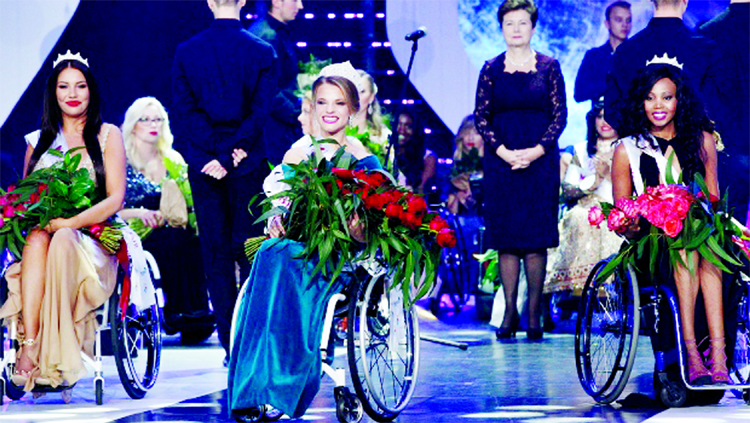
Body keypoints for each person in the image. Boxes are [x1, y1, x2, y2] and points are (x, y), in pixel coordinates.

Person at [228, 73, 381, 421]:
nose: (330, 110)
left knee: (285, 256)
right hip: (295, 248)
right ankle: (252, 390)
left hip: (338, 257)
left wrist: (356, 225)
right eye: (322, 102)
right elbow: (280, 199)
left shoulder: (362, 159)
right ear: (311, 109)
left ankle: (282, 382)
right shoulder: (299, 152)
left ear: (354, 111)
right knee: (271, 251)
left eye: (339, 103)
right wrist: (276, 217)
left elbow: (371, 227)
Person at [0, 53, 127, 390]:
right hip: (46, 238)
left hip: (95, 240)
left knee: (62, 239)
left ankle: (43, 353)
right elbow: (25, 200)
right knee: (39, 239)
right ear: (53, 93)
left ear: (91, 91)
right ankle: (31, 348)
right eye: (64, 86)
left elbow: (115, 199)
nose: (72, 93)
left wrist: (71, 221)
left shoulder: (108, 135)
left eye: (80, 86)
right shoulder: (38, 142)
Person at [171, 0, 277, 364]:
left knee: (215, 255)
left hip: (206, 165)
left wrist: (215, 155)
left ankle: (232, 346)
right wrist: (232, 150)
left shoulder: (186, 51)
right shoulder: (262, 51)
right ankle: (249, 341)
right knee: (249, 250)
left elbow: (185, 113)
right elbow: (260, 113)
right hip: (245, 163)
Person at [612, 64, 728, 385]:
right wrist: (641, 219)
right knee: (685, 246)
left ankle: (718, 354)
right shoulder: (628, 150)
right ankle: (690, 353)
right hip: (650, 244)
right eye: (650, 98)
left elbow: (713, 194)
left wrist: (689, 209)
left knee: (704, 242)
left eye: (667, 97)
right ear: (641, 103)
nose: (659, 106)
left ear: (680, 101)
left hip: (698, 234)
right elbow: (622, 215)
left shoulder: (701, 139)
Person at [474, 0, 567, 341]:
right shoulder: (490, 69)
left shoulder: (549, 67)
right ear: (501, 28)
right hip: (501, 163)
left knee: (535, 240)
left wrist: (536, 151)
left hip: (540, 162)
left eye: (522, 23)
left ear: (532, 27)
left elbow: (560, 117)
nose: (516, 29)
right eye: (509, 23)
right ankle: (509, 311)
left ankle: (533, 314)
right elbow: (481, 117)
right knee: (507, 239)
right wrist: (504, 152)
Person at [119, 97, 215, 344]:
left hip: (172, 228)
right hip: (133, 231)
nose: (154, 125)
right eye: (146, 119)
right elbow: (112, 210)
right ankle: (175, 312)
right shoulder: (121, 161)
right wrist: (140, 214)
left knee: (189, 239)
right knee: (173, 242)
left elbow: (191, 201)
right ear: (133, 124)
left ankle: (196, 313)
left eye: (158, 119)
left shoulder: (173, 160)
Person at [545, 102, 622, 295]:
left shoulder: (628, 148)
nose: (605, 122)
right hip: (586, 204)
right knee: (580, 216)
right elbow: (567, 190)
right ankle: (578, 287)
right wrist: (594, 181)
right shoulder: (582, 151)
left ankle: (609, 283)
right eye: (600, 116)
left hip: (618, 205)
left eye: (610, 116)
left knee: (609, 221)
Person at [604, 0, 717, 132]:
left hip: (639, 148)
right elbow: (717, 109)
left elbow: (612, 111)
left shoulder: (625, 51)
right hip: (691, 147)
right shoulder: (706, 49)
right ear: (685, 1)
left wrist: (642, 140)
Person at [699, 0, 749, 225]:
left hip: (728, 151)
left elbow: (704, 102)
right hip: (729, 153)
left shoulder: (707, 33)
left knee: (728, 239)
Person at [249, 0, 304, 165]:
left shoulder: (273, 32)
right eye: (295, 0)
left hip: (274, 124)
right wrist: (296, 113)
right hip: (272, 129)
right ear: (277, 2)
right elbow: (266, 89)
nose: (300, 6)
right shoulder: (267, 36)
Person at [574, 1, 632, 104]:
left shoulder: (640, 55)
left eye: (628, 20)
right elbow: (579, 94)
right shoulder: (593, 57)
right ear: (607, 24)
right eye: (618, 20)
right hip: (602, 117)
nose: (624, 25)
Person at [446, 115, 484, 215]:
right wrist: (458, 195)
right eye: (466, 133)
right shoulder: (455, 169)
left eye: (476, 133)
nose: (470, 138)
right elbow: (452, 211)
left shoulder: (493, 168)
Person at [394, 111, 437, 194]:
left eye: (408, 126)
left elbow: (422, 190)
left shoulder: (428, 157)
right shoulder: (386, 152)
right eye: (398, 124)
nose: (401, 130)